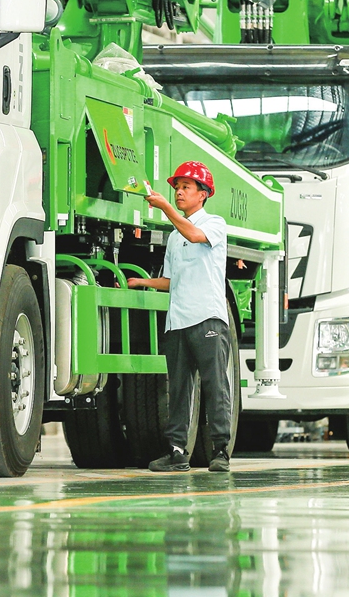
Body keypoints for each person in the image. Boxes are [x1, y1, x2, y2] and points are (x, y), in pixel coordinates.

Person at [127, 161, 232, 473]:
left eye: (186, 187)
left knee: (215, 386)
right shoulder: (174, 237)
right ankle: (176, 452)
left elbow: (196, 235)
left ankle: (221, 451)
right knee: (178, 390)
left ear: (203, 194)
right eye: (176, 188)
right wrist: (143, 282)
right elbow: (170, 281)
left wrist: (165, 209)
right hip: (178, 322)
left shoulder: (214, 223)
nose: (179, 192)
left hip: (207, 318)